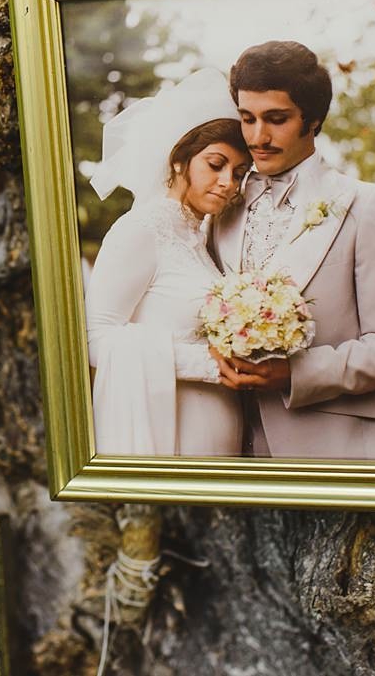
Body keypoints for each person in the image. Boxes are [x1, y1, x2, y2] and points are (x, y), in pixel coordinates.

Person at [210, 41, 375, 459]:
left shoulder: (367, 204)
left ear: (314, 119)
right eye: (247, 119)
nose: (257, 137)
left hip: (334, 451)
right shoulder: (220, 204)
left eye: (276, 119)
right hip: (227, 447)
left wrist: (295, 373)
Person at [85, 67, 251, 458]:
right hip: (172, 434)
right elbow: (96, 338)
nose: (229, 181)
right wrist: (207, 363)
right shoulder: (139, 230)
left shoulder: (204, 236)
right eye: (216, 164)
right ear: (180, 161)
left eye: (239, 173)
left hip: (223, 432)